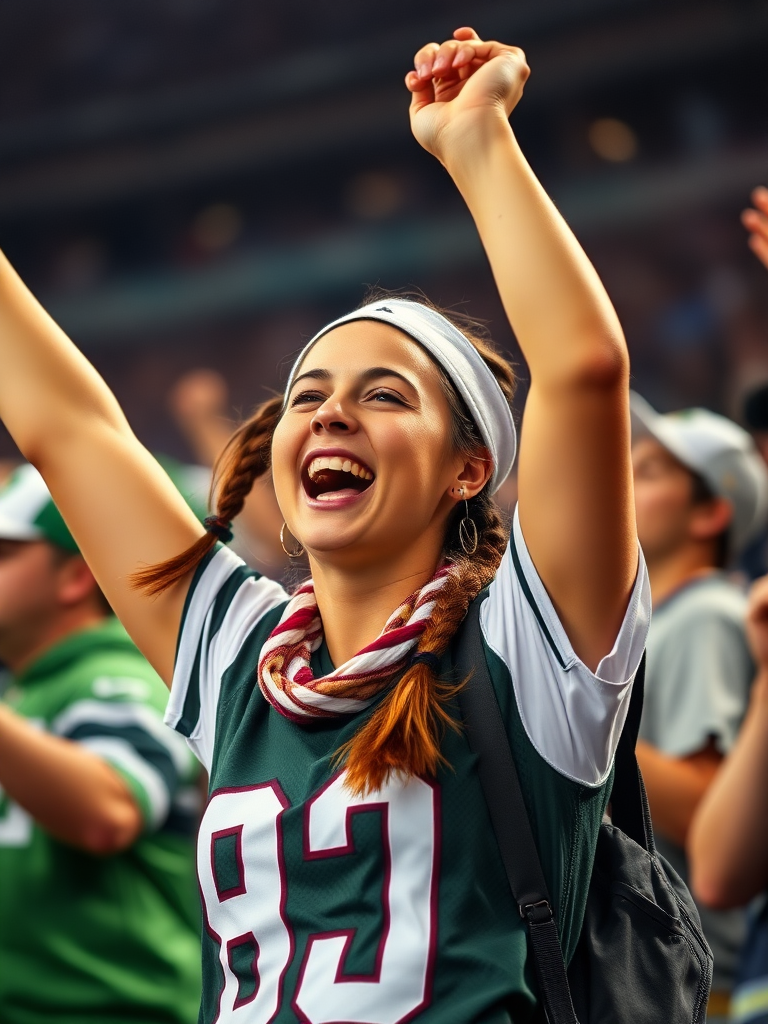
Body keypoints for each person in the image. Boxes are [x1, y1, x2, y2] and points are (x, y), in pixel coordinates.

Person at [0, 28, 650, 1022]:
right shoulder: (240, 656)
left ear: (469, 466)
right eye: (307, 394)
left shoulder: (528, 651)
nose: (329, 413)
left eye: (385, 395)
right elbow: (69, 428)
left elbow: (583, 369)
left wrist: (478, 146)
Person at [0, 464, 202, 1023]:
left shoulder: (125, 680)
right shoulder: (25, 691)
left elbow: (107, 812)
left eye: (5, 553)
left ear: (76, 578)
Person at [630, 393, 768, 1016]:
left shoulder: (706, 616)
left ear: (709, 513)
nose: (623, 479)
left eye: (650, 471)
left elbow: (703, 804)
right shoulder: (666, 622)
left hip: (703, 990)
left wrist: (576, 722)